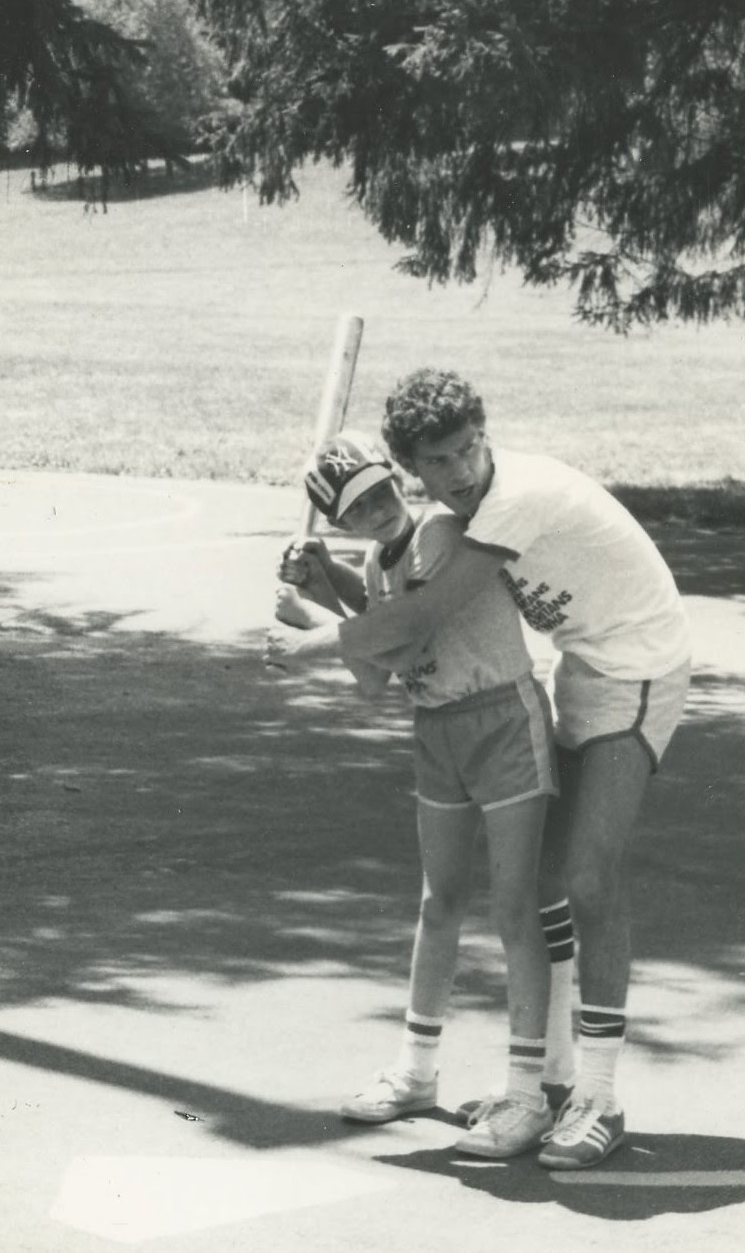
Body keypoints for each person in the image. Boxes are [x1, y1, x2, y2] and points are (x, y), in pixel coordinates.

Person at [271, 371, 692, 1171]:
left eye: (469, 448)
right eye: (441, 458)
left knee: (590, 878)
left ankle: (597, 1095)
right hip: (580, 668)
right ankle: (555, 1076)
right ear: (413, 465)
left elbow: (421, 618)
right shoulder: (444, 513)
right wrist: (328, 575)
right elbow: (397, 605)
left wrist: (306, 640)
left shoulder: (504, 503)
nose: (462, 469)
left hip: (638, 666)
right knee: (537, 886)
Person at [267, 432, 560, 1161]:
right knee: (440, 900)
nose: (375, 508)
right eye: (356, 507)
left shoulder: (436, 531)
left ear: (397, 479)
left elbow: (397, 642)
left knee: (514, 901)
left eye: (380, 490)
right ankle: (417, 1070)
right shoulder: (376, 555)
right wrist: (327, 576)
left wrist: (310, 619)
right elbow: (377, 655)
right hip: (438, 729)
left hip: (502, 719)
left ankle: (526, 1091)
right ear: (341, 520)